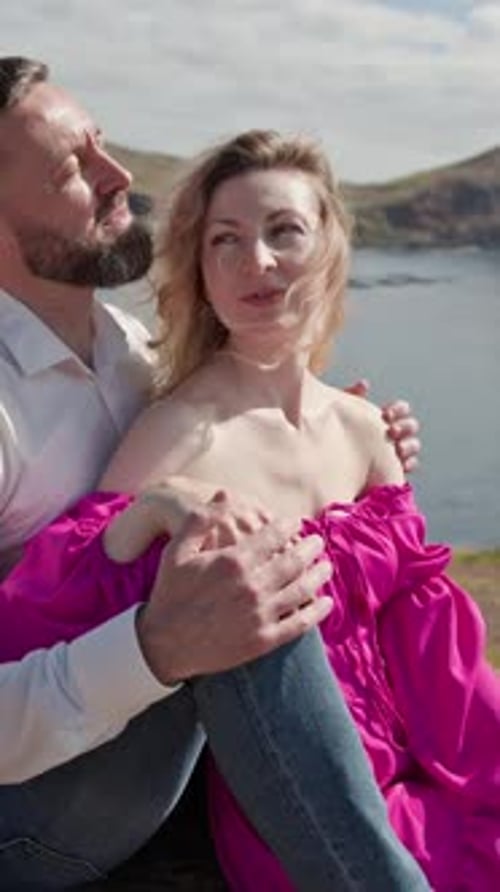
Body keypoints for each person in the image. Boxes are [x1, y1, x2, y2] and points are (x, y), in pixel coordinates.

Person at [3, 127, 498, 892]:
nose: (255, 261)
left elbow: (433, 644)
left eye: (283, 231)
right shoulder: (179, 431)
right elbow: (67, 585)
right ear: (200, 272)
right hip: (300, 800)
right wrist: (147, 515)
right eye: (225, 240)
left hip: (420, 772)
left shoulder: (364, 429)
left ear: (329, 247)